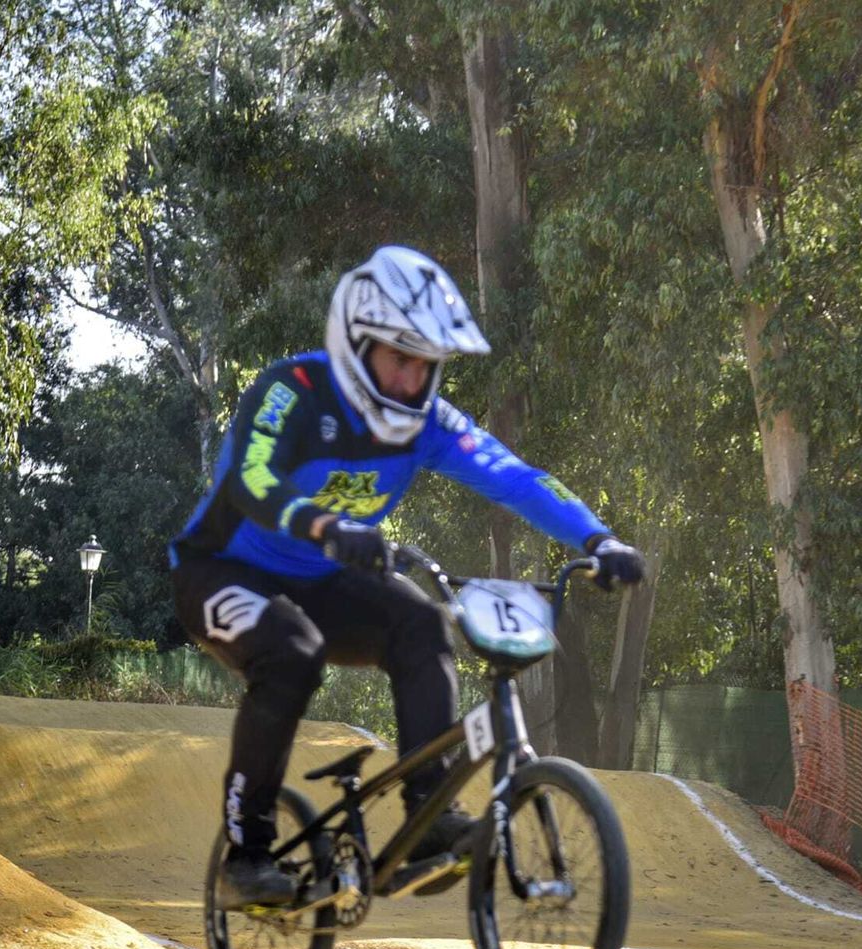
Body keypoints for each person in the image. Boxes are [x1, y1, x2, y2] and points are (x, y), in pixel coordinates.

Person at [169, 245, 645, 907]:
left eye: (426, 365)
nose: (410, 380)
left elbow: (514, 477)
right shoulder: (293, 393)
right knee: (293, 651)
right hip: (222, 571)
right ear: (356, 345)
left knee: (423, 624)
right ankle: (246, 850)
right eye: (400, 358)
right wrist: (327, 527)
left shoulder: (429, 424)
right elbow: (252, 481)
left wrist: (600, 537)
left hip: (323, 578)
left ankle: (429, 818)